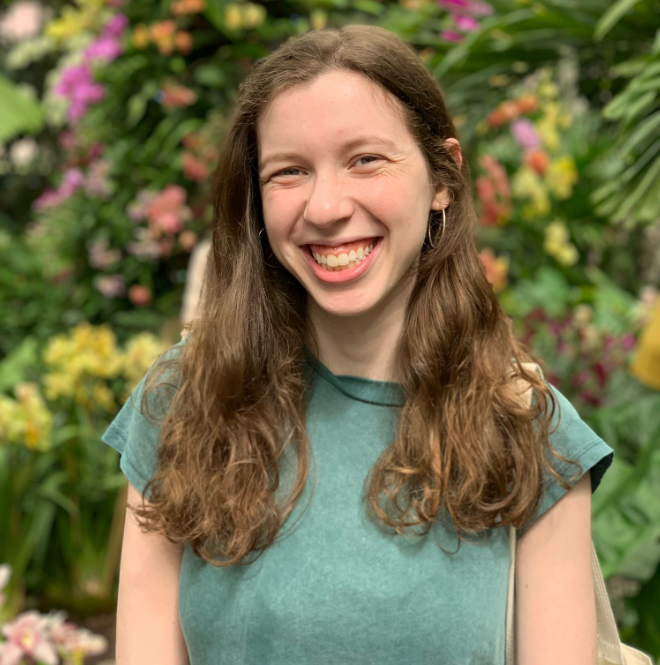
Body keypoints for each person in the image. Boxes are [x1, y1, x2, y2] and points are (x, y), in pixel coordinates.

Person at [103, 25, 614, 665]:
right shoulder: (188, 399)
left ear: (442, 179)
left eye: (365, 159)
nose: (325, 206)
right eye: (289, 171)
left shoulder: (528, 431)